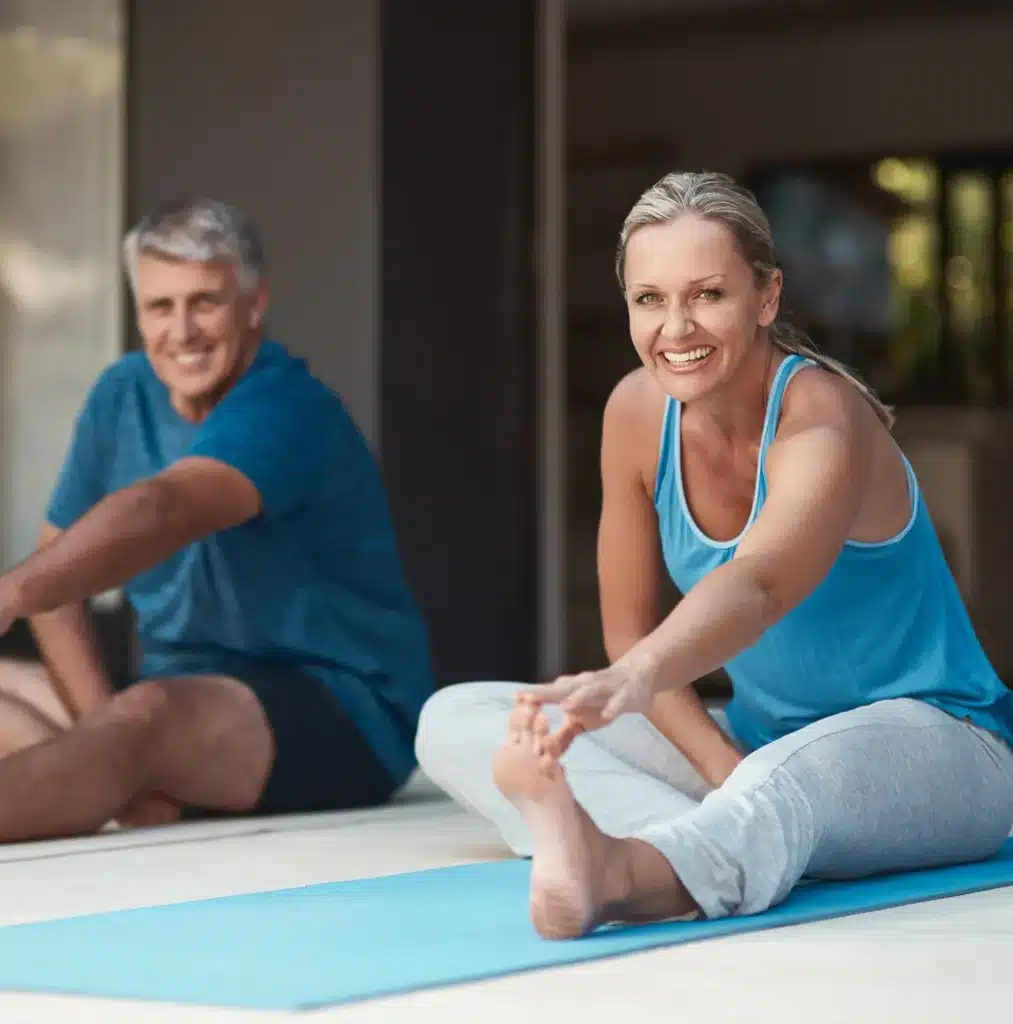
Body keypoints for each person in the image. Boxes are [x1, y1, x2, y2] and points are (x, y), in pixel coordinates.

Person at [416, 171, 1013, 940]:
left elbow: (758, 586)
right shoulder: (636, 413)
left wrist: (635, 679)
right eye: (649, 299)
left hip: (942, 748)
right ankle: (720, 835)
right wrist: (718, 768)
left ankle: (629, 871)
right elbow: (628, 637)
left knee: (785, 783)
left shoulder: (823, 418)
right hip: (759, 743)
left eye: (706, 295)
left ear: (765, 298)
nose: (675, 328)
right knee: (459, 718)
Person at [0, 199, 433, 839]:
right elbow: (55, 596)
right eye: (159, 307)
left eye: (205, 302)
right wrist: (103, 729)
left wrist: (10, 591)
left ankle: (130, 772)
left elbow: (164, 508)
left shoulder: (285, 404)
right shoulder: (122, 394)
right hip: (177, 694)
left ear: (254, 304)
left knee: (150, 716)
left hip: (342, 709)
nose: (182, 330)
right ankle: (136, 785)